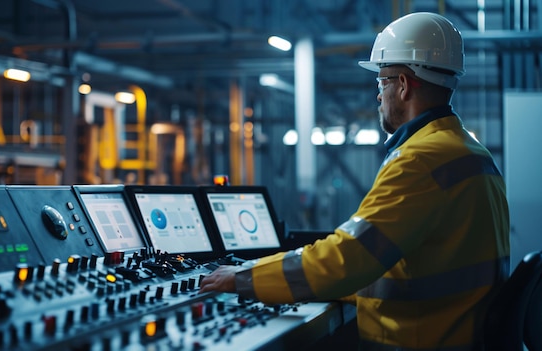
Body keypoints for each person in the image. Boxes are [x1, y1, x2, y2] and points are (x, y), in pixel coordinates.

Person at [199, 12, 510, 350]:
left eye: (382, 82)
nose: (378, 95)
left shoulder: (421, 159)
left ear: (404, 85)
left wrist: (246, 277)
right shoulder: (471, 152)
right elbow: (395, 266)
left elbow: (348, 258)